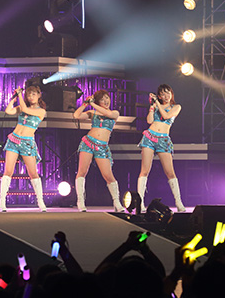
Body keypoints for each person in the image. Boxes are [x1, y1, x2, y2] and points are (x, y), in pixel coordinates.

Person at [72, 90, 126, 212]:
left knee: (108, 175)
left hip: (102, 147)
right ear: (98, 102)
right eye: (102, 99)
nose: (106, 101)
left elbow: (108, 114)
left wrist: (93, 104)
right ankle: (80, 201)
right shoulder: (93, 113)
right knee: (82, 171)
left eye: (107, 98)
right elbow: (76, 115)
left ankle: (116, 202)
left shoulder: (114, 113)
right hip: (88, 143)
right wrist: (85, 104)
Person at [137, 83, 185, 212]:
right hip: (149, 137)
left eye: (168, 92)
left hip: (163, 140)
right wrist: (152, 107)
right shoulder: (156, 106)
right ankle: (140, 202)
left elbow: (166, 116)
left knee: (170, 172)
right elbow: (149, 121)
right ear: (159, 96)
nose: (166, 95)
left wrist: (157, 104)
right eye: (163, 94)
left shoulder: (176, 107)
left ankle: (178, 202)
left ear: (171, 93)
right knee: (144, 171)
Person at [0, 86, 47, 212]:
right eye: (29, 94)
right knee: (8, 171)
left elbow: (25, 109)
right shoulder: (22, 106)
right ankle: (2, 202)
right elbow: (8, 110)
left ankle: (40, 201)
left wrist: (20, 94)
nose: (31, 97)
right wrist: (14, 98)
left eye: (33, 94)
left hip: (27, 143)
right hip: (14, 140)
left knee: (33, 173)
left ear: (39, 95)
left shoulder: (41, 111)